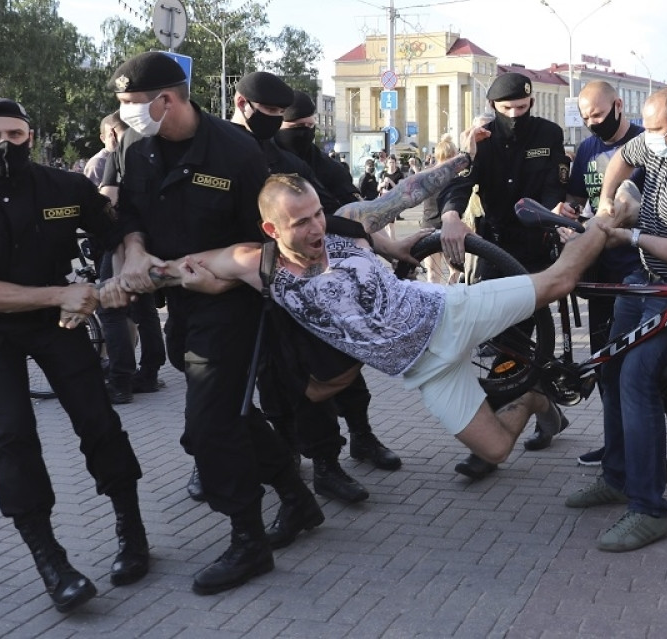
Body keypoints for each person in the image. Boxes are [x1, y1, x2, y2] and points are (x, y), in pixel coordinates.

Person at [111, 133, 622, 471]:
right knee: (495, 449)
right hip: (422, 371)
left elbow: (406, 192)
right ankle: (531, 398)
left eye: (316, 214)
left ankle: (608, 222)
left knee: (557, 281)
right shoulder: (256, 262)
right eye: (302, 222)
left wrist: (464, 159)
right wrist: (123, 282)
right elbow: (180, 268)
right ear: (271, 229)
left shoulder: (343, 225)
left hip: (447, 315)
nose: (316, 227)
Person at [0, 98, 149, 612]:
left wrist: (125, 266)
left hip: (58, 326)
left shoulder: (66, 188)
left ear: (32, 137)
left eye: (17, 134)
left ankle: (131, 531)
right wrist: (60, 294)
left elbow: (116, 226)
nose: (6, 144)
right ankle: (51, 561)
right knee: (14, 438)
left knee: (98, 420)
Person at [108, 52, 322, 595]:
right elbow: (131, 213)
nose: (126, 113)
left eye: (134, 104)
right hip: (180, 301)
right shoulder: (137, 146)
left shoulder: (235, 151)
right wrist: (133, 250)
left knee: (208, 427)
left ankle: (248, 541)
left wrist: (220, 276)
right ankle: (297, 500)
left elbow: (267, 239)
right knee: (229, 414)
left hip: (232, 301)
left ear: (168, 100)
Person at [227, 71, 397, 504]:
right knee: (265, 384)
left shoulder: (286, 161)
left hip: (298, 283)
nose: (281, 124)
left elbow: (328, 212)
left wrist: (379, 242)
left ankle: (329, 463)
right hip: (243, 284)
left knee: (318, 373)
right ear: (242, 103)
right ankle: (275, 462)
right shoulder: (217, 149)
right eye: (271, 114)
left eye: (287, 117)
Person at [562, 87, 667, 551]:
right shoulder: (657, 138)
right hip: (644, 283)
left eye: (654, 130)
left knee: (636, 376)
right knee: (609, 365)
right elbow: (622, 159)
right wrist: (606, 203)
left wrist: (629, 234)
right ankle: (618, 475)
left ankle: (648, 509)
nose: (648, 139)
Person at [438, 71, 571, 479]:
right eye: (507, 108)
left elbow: (555, 184)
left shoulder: (548, 133)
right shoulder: (481, 138)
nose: (516, 113)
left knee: (514, 345)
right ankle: (545, 410)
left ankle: (488, 445)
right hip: (495, 249)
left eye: (522, 106)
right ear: (493, 107)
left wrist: (554, 214)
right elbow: (459, 184)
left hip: (535, 247)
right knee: (498, 340)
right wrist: (450, 217)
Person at [535, 80, 646, 457]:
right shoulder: (586, 148)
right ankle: (614, 443)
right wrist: (565, 216)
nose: (591, 123)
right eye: (585, 118)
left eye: (597, 115)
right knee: (605, 362)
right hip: (600, 270)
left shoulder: (646, 142)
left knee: (640, 366)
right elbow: (576, 201)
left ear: (618, 105)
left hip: (641, 266)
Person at [87, 112, 168, 404]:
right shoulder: (157, 151)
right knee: (144, 308)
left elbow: (108, 201)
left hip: (122, 242)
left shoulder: (119, 156)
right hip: (153, 242)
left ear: (114, 134)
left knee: (111, 309)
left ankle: (120, 380)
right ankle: (149, 372)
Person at [419, 134, 461, 284]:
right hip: (451, 229)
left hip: (428, 227)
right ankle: (451, 301)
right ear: (453, 154)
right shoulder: (457, 177)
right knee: (456, 272)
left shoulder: (426, 175)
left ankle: (435, 303)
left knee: (432, 273)